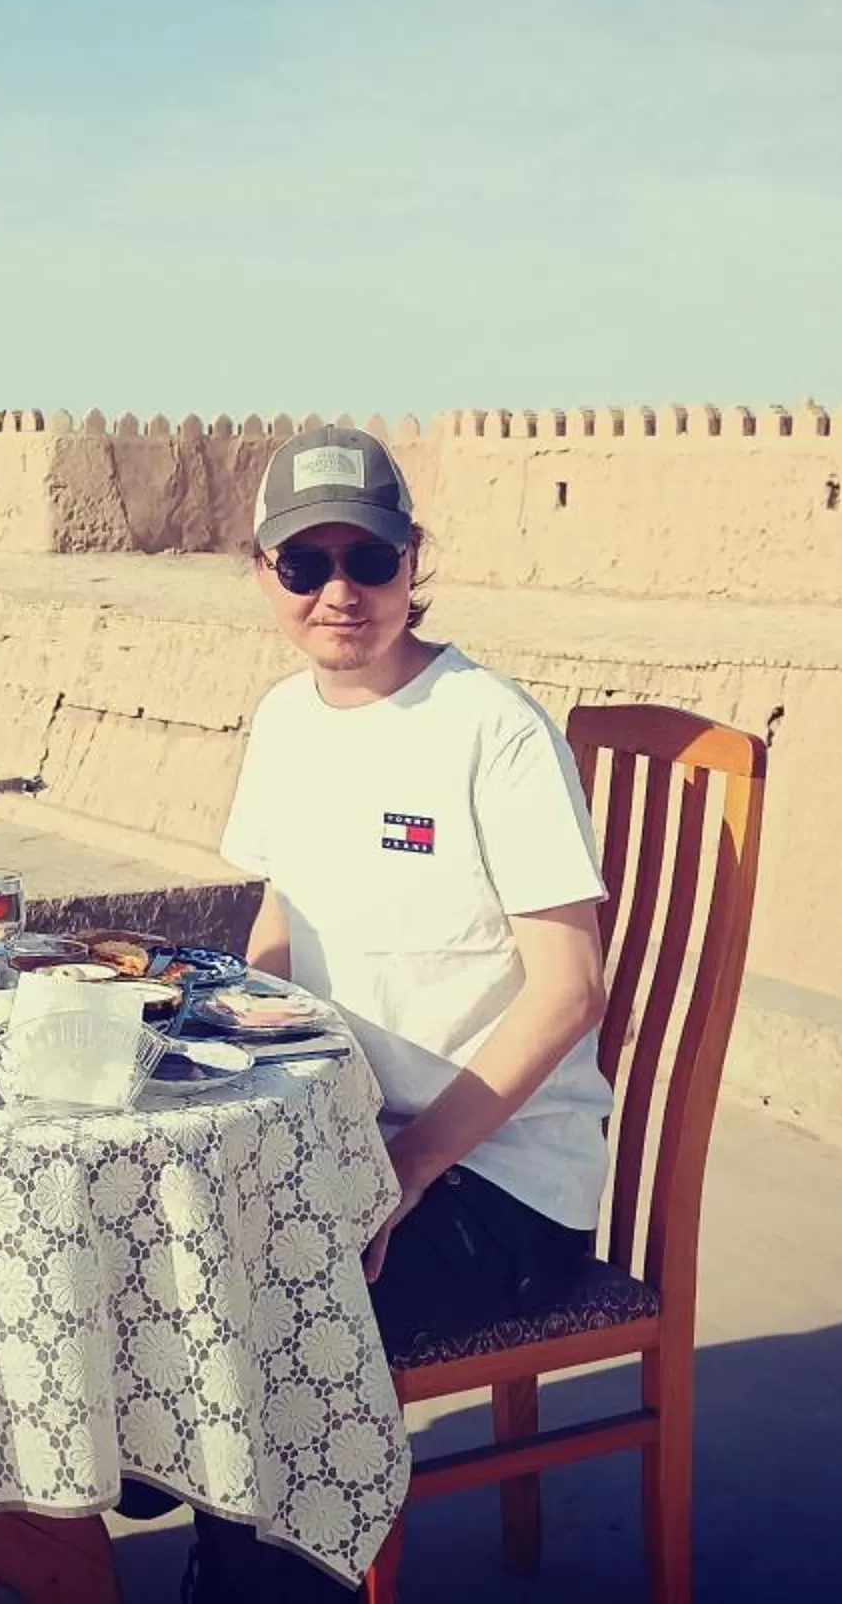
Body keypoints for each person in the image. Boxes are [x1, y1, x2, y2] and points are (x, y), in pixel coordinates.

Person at [161, 421, 613, 1604]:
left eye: (368, 558)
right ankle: (208, 1528)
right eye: (304, 565)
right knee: (144, 1236)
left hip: (495, 1182)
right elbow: (279, 921)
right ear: (261, 576)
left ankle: (258, 1568)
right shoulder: (287, 718)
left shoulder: (491, 730)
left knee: (263, 1309)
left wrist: (404, 1166)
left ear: (416, 560)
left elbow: (569, 986)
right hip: (335, 1137)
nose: (340, 592)